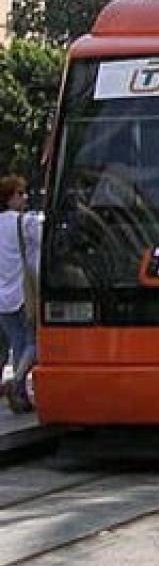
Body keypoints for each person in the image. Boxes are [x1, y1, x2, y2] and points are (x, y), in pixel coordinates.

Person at [0, 175, 42, 413]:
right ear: (9, 198)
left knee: (17, 342)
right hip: (22, 292)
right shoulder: (25, 223)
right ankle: (17, 383)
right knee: (34, 343)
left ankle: (20, 395)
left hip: (2, 295)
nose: (24, 197)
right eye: (20, 193)